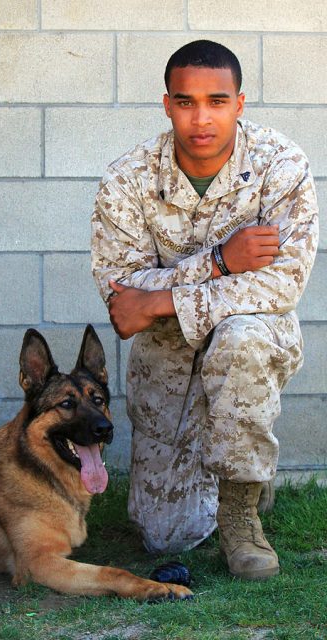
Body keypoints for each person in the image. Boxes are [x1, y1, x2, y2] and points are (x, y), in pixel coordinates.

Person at [91, 40, 318, 580]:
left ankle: (240, 513)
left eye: (217, 101)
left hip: (255, 336)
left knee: (241, 337)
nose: (201, 118)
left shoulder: (279, 165)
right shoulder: (127, 179)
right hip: (166, 358)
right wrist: (219, 262)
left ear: (240, 103)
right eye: (186, 102)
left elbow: (282, 284)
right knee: (165, 535)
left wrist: (163, 299)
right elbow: (124, 305)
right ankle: (231, 470)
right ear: (166, 104)